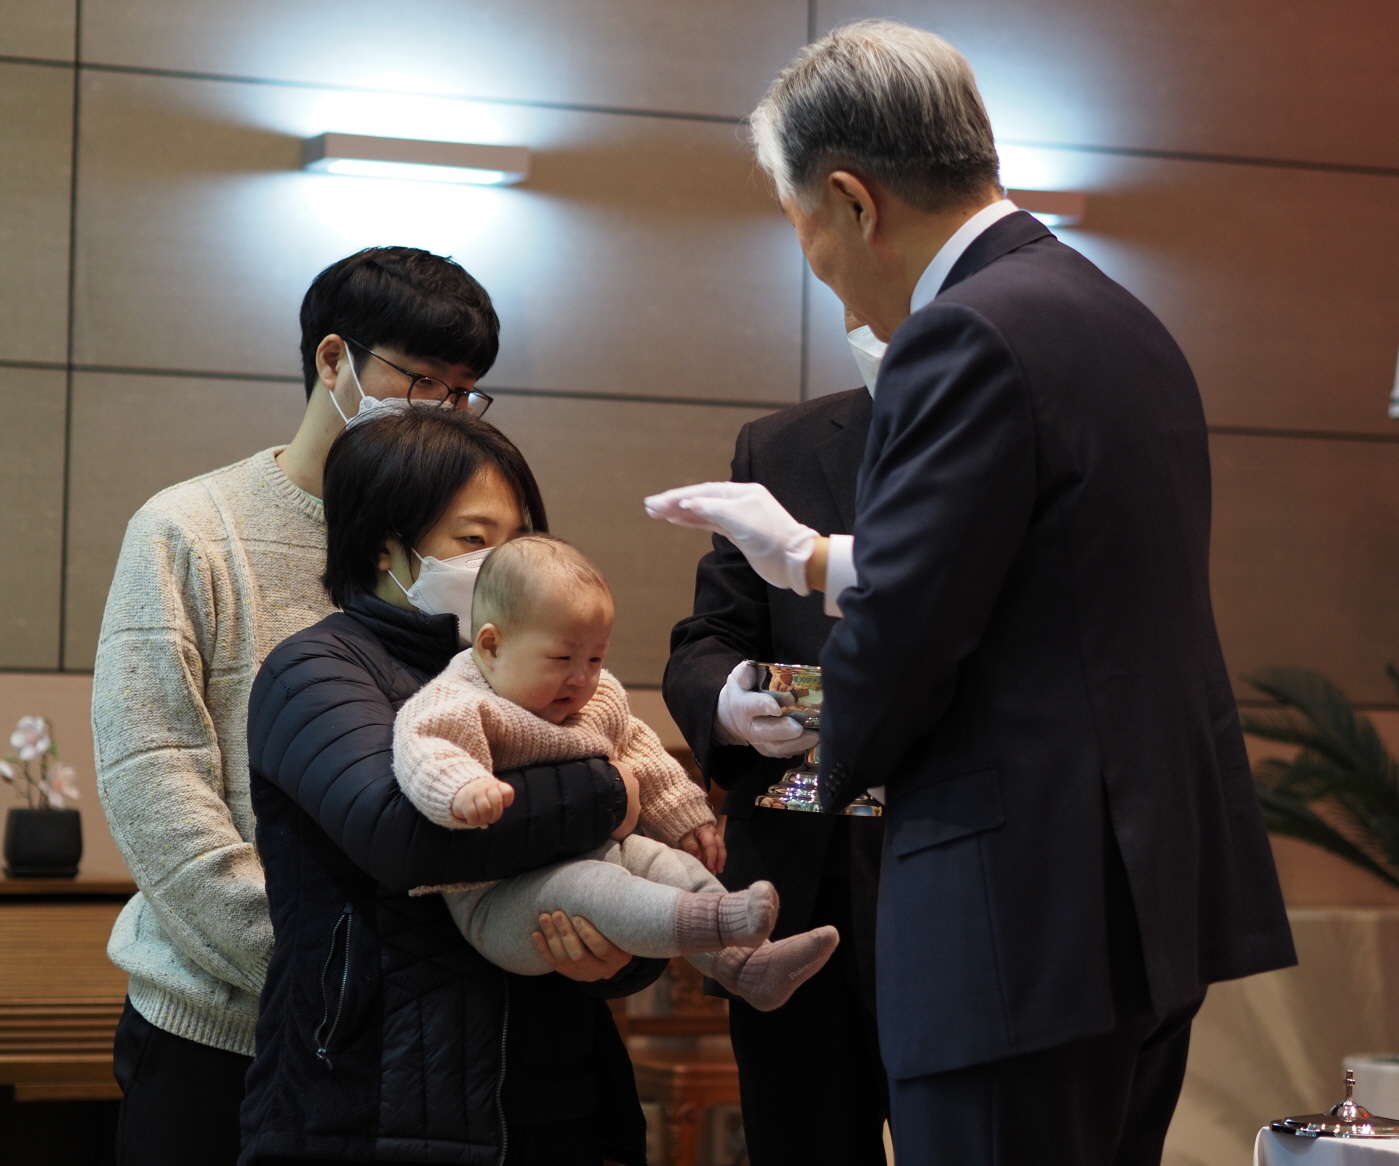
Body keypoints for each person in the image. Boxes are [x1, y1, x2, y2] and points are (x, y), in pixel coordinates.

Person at [647, 21, 1298, 1166]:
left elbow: (904, 639)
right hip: (1135, 895)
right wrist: (815, 561)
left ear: (851, 200)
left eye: (800, 223)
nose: (822, 269)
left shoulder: (963, 335)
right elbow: (1029, 585)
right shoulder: (1114, 315)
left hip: (1012, 912)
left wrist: (816, 738)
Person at [93, 246, 508, 1166]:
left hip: (410, 1038)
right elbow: (153, 779)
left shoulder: (462, 548)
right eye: (422, 380)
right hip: (220, 1028)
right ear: (333, 359)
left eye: (463, 392)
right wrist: (325, 969)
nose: (443, 412)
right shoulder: (189, 529)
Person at [244, 408, 659, 1166]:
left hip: (559, 1092)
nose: (502, 563)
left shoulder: (547, 675)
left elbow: (634, 855)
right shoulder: (314, 672)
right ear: (384, 545)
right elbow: (405, 838)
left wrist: (624, 955)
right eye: (474, 540)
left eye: (518, 538)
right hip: (374, 1101)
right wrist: (612, 791)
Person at [391, 533, 840, 1010]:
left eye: (595, 658)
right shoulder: (463, 698)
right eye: (562, 658)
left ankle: (748, 967)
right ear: (491, 646)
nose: (582, 677)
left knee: (666, 863)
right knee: (589, 883)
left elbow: (644, 756)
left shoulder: (598, 698)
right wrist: (462, 787)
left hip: (602, 854)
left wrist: (689, 821)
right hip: (497, 898)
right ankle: (717, 923)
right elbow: (424, 745)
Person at [659, 327, 887, 1164]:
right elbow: (707, 638)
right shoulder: (781, 447)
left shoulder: (1017, 441)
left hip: (964, 863)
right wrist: (730, 702)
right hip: (800, 869)